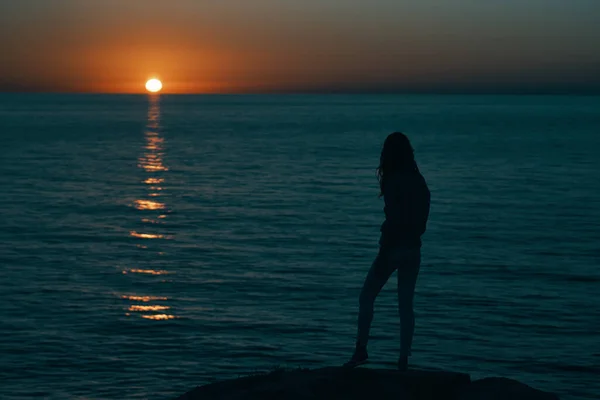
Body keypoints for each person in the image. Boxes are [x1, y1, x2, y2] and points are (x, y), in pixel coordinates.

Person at [345, 132, 430, 371]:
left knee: (367, 296)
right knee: (405, 304)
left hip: (393, 248)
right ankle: (403, 359)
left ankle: (361, 350)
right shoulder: (418, 180)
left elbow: (393, 218)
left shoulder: (394, 180)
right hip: (413, 248)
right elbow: (423, 214)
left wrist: (386, 249)